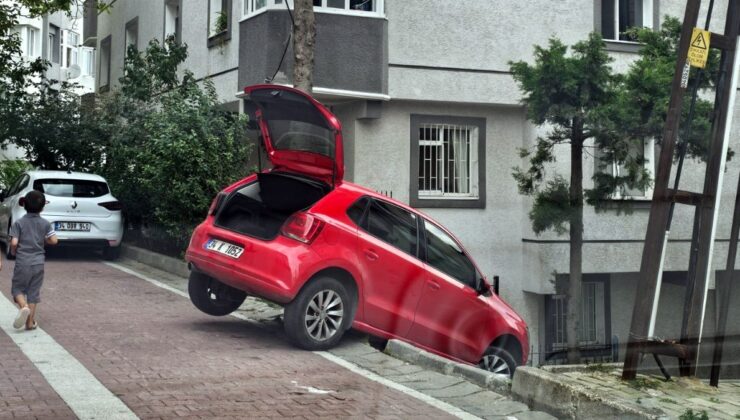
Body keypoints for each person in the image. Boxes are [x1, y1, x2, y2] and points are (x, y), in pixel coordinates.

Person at [11, 190, 57, 330]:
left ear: (24, 205)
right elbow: (54, 240)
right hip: (38, 263)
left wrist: (14, 252)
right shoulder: (45, 224)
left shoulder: (19, 223)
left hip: (22, 262)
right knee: (33, 292)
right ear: (43, 207)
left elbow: (14, 243)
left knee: (17, 289)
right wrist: (44, 239)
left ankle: (23, 307)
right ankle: (30, 323)